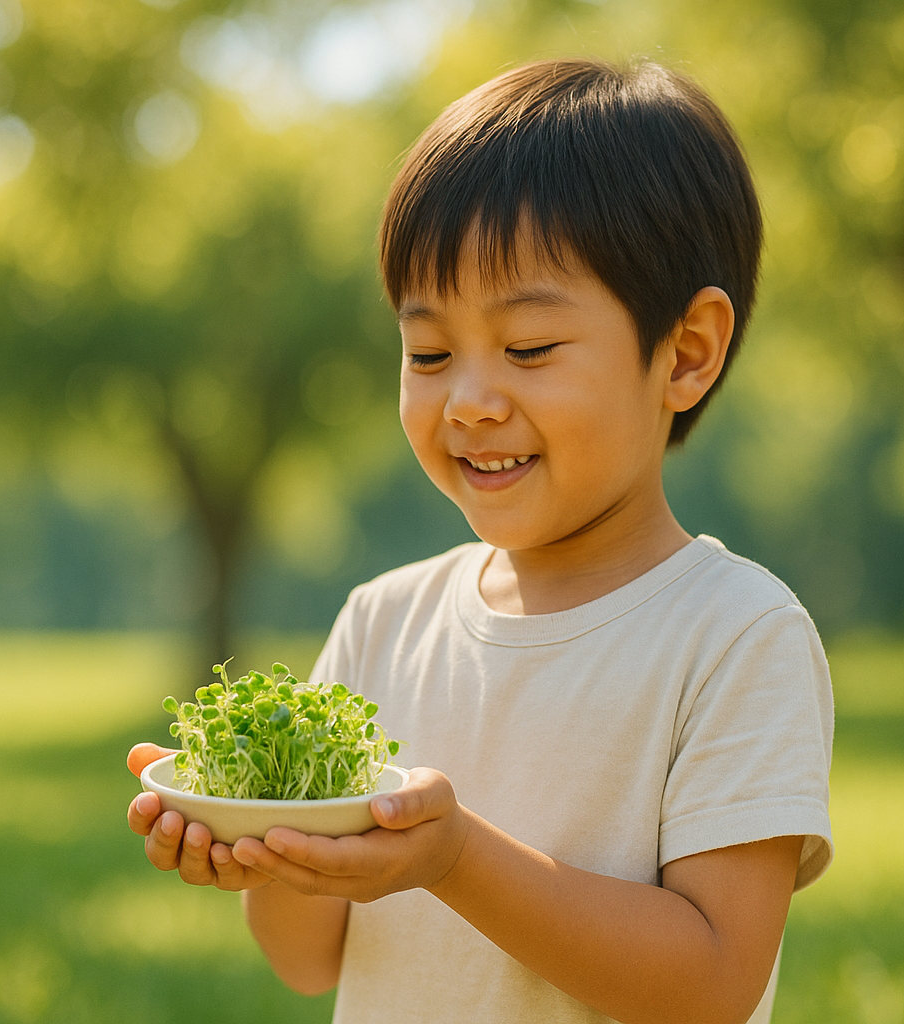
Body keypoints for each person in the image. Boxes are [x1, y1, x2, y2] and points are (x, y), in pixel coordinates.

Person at [126, 57, 834, 1024]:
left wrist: (456, 858)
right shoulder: (384, 621)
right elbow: (304, 958)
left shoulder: (735, 635)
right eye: (429, 354)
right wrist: (267, 845)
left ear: (686, 351)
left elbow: (711, 983)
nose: (469, 401)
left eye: (530, 349)